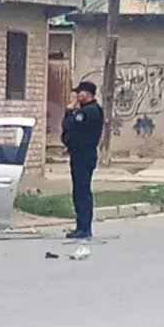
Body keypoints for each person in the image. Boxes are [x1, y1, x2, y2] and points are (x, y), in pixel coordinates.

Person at [61, 80, 104, 240]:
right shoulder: (87, 110)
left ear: (87, 93)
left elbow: (69, 124)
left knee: (82, 191)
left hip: (83, 155)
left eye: (80, 92)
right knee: (79, 190)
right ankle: (81, 226)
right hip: (80, 154)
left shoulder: (89, 111)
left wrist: (70, 110)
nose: (77, 95)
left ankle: (84, 228)